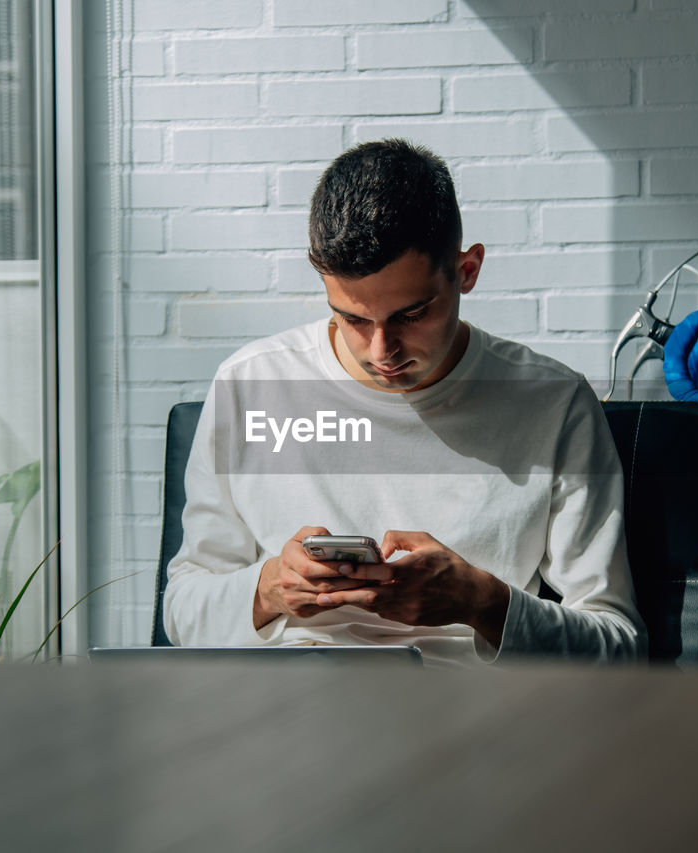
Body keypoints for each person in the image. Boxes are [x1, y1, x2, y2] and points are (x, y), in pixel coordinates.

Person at [163, 139, 645, 664]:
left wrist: (481, 601)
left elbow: (618, 647)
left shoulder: (553, 405)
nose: (381, 350)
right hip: (288, 713)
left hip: (464, 723)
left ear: (467, 270)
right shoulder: (251, 386)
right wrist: (269, 590)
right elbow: (183, 614)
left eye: (411, 315)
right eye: (352, 318)